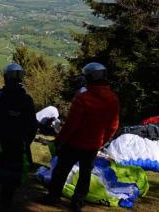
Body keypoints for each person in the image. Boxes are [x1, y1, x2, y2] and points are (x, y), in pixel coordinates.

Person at [40, 63, 120, 212]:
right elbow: (113, 125)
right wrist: (102, 141)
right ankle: (78, 202)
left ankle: (53, 196)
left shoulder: (82, 98)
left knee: (61, 170)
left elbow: (71, 124)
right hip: (93, 145)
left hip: (74, 143)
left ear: (88, 78)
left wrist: (59, 140)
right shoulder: (113, 99)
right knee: (85, 173)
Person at [0, 63, 37, 208]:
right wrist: (26, 142)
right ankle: (6, 201)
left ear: (5, 78)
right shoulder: (27, 100)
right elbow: (33, 125)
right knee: (13, 172)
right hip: (18, 144)